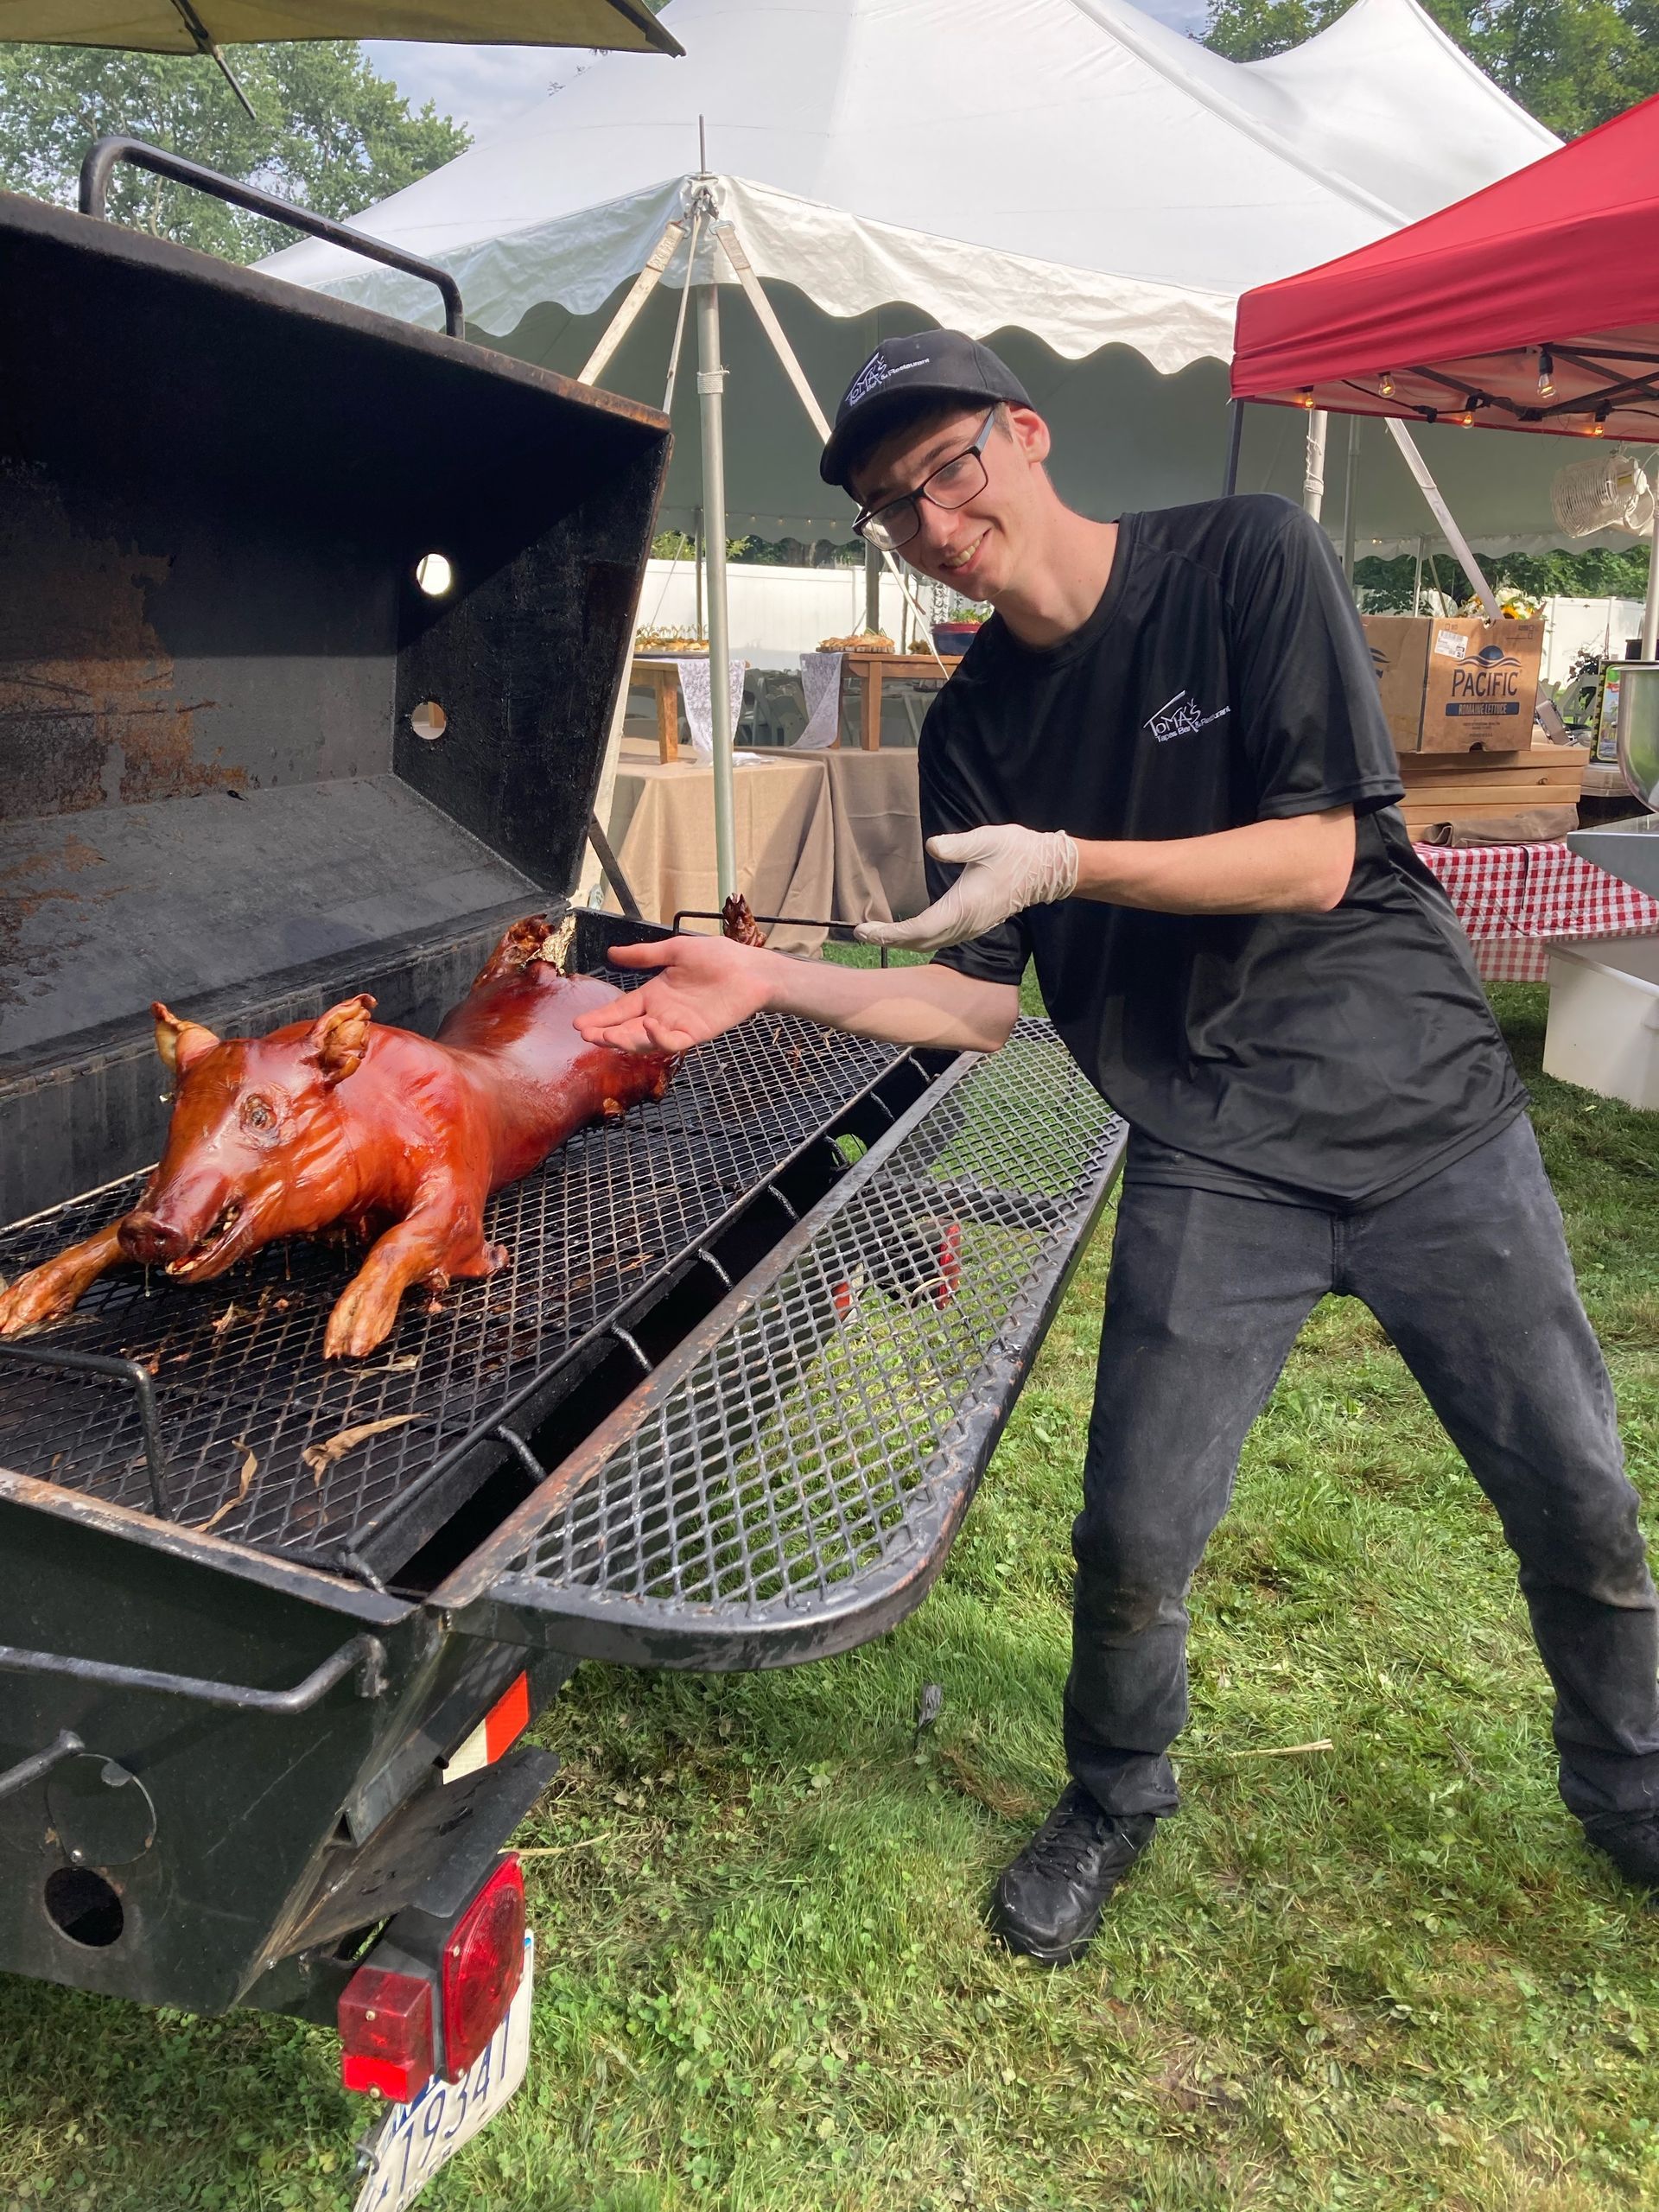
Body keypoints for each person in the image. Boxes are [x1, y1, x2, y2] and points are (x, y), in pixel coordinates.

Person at [575, 331, 1659, 1965]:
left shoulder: (1245, 557)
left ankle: (1633, 1792)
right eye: (893, 507)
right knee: (1136, 1532)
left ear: (1025, 434)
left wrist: (1075, 861)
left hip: (1428, 1119)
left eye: (951, 468)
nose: (935, 521)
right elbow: (975, 1002)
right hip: (1214, 1150)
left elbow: (1310, 859)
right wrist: (769, 978)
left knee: (1575, 1497)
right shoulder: (975, 732)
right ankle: (1113, 1793)